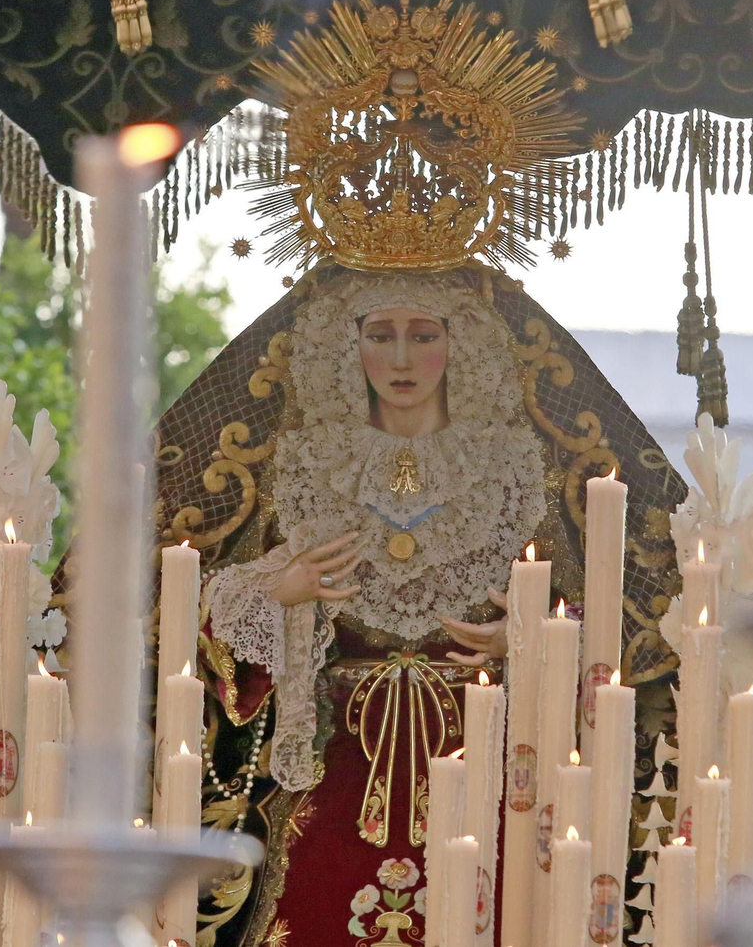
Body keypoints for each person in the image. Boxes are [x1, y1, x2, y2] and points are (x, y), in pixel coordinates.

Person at [142, 263, 684, 947]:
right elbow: (208, 606)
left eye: (424, 335)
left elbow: (598, 614)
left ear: (461, 345)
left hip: (483, 765)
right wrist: (279, 593)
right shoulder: (305, 462)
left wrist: (528, 639)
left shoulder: (516, 468)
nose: (401, 359)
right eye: (382, 335)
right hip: (334, 771)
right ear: (349, 345)